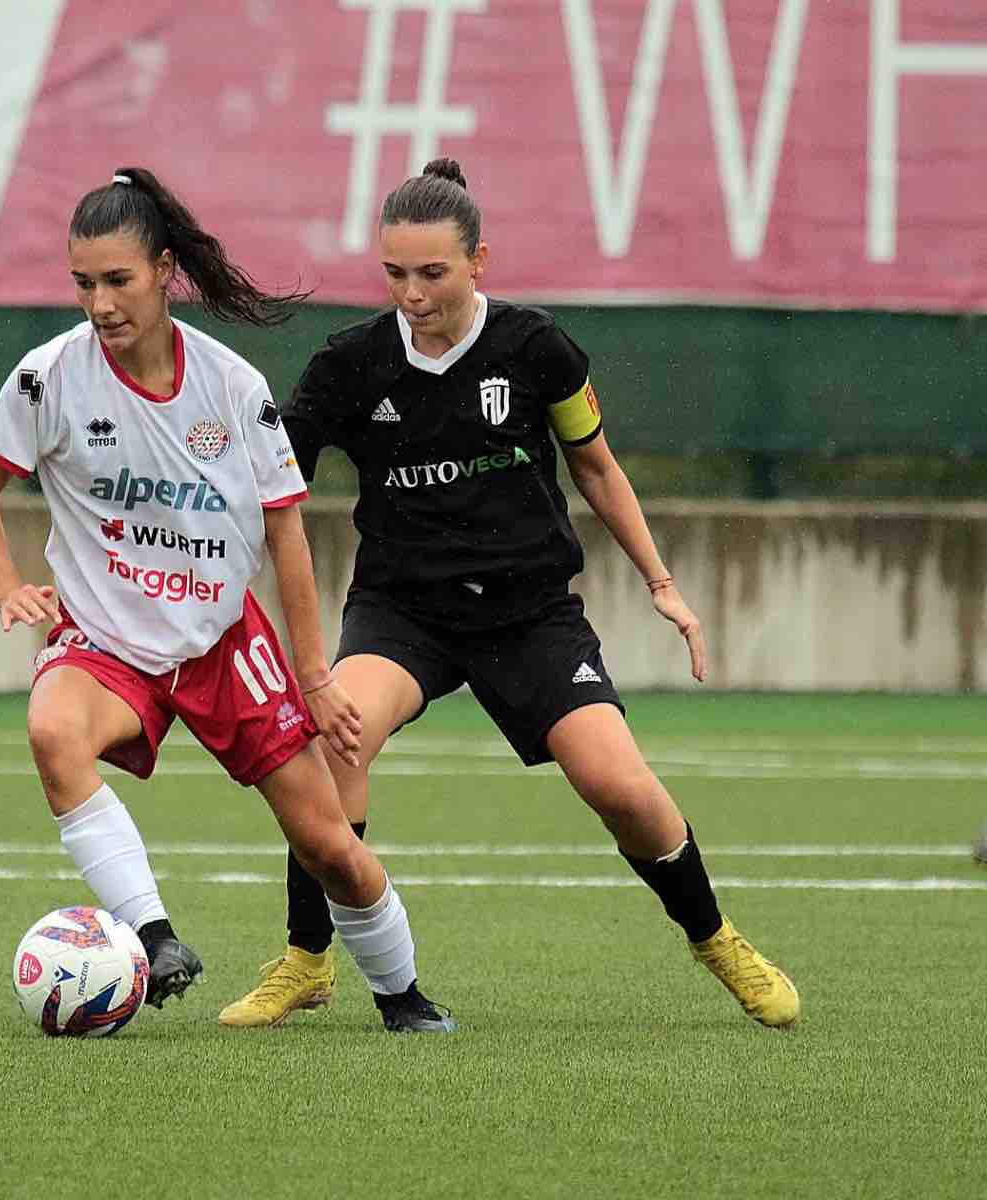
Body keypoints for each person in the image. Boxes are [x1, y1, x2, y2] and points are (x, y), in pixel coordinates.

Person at [218, 158, 800, 1030]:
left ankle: (716, 939)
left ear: (479, 261)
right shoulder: (348, 365)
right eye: (395, 274)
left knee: (620, 786)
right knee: (334, 748)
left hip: (530, 614)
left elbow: (596, 468)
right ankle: (308, 958)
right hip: (402, 611)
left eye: (433, 273)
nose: (411, 294)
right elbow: (274, 497)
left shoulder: (537, 349)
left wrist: (663, 584)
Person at [0, 166, 452, 1031]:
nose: (101, 305)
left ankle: (402, 995)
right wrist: (6, 583)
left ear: (165, 271)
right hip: (105, 644)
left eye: (118, 280)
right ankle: (152, 937)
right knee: (50, 731)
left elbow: (288, 533)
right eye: (83, 284)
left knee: (330, 844)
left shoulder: (232, 386)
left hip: (223, 643)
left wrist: (314, 675)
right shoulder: (47, 379)